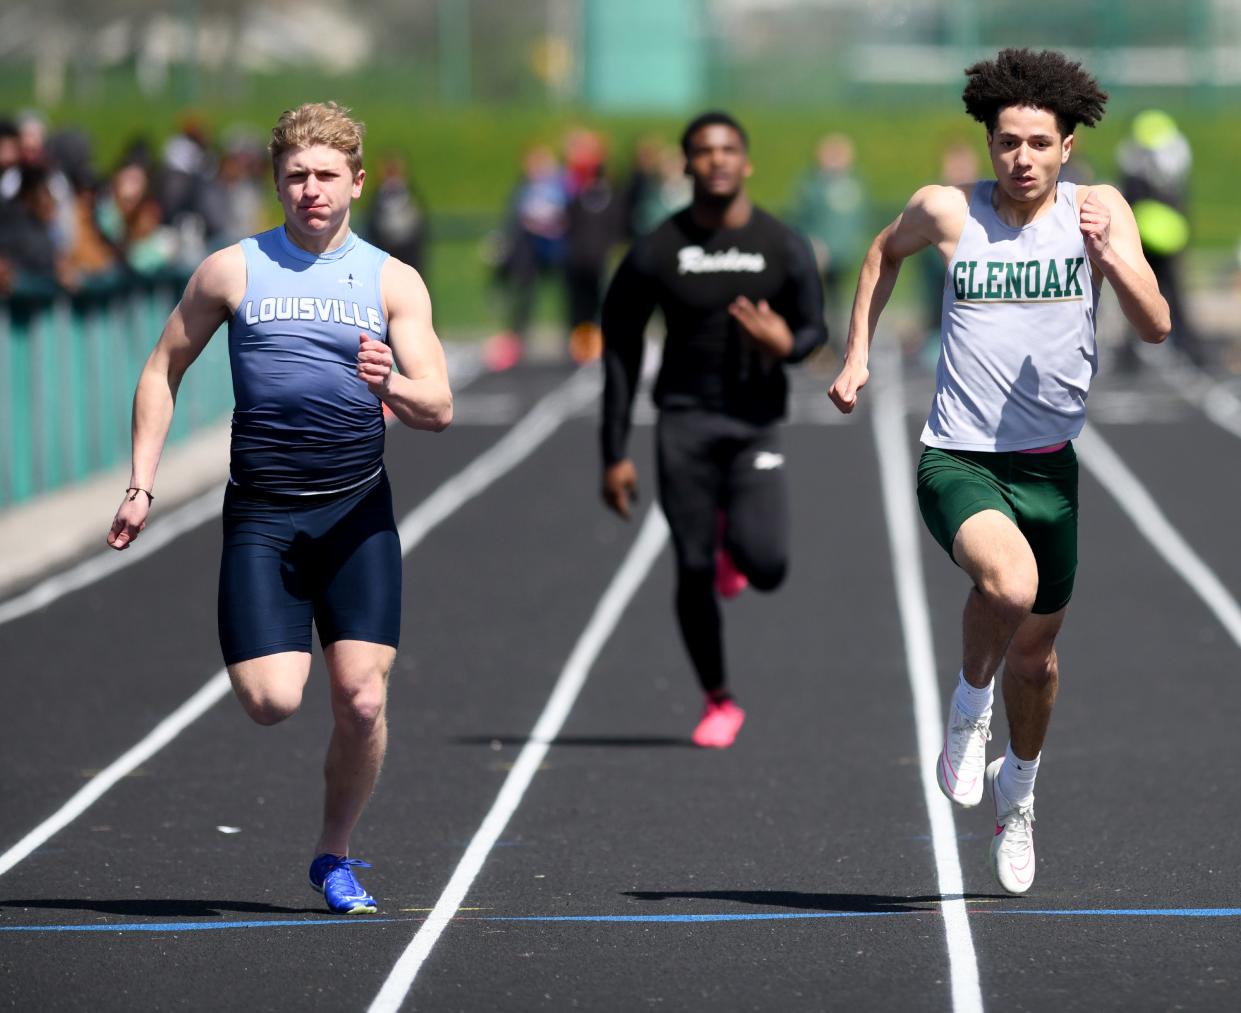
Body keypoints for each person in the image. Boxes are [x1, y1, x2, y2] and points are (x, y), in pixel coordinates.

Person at [828, 49, 1169, 894]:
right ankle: (964, 709)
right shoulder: (948, 212)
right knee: (1007, 588)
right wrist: (857, 355)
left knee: (1038, 661)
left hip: (1049, 470)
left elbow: (1157, 325)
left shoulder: (1099, 210)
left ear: (1065, 148)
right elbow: (880, 251)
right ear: (987, 143)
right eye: (1007, 140)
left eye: (1038, 143)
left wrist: (1116, 261)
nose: (1021, 157)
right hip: (959, 457)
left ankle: (1017, 795)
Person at [106, 102, 453, 914]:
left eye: (327, 175)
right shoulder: (232, 269)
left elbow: (437, 405)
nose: (310, 190)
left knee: (362, 698)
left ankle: (333, 853)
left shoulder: (391, 280)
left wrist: (389, 384)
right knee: (271, 701)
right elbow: (162, 368)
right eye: (295, 175)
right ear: (275, 181)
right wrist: (140, 482)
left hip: (356, 512)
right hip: (263, 514)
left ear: (357, 183)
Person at [600, 111, 827, 749]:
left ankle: (738, 545)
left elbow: (814, 328)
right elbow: (618, 347)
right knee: (691, 565)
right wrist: (612, 452)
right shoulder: (657, 249)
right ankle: (718, 699)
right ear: (687, 165)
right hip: (684, 423)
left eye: (729, 150)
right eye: (704, 151)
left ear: (746, 163)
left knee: (769, 565)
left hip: (755, 425)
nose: (718, 160)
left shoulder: (783, 244)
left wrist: (787, 343)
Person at [1117, 109, 1202, 367]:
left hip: (1146, 235)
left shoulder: (1133, 159)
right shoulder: (1175, 158)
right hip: (1167, 236)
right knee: (1169, 293)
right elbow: (1181, 201)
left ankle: (1134, 352)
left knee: (1139, 291)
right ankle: (1185, 345)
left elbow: (1129, 199)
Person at [789, 133, 869, 337]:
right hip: (822, 256)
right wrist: (812, 245)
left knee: (846, 302)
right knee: (817, 300)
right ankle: (818, 341)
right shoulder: (811, 185)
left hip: (846, 255)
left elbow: (860, 219)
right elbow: (801, 220)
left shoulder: (855, 184)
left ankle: (843, 340)